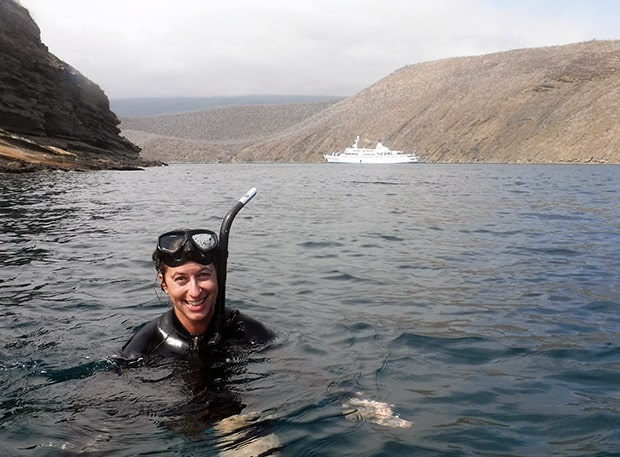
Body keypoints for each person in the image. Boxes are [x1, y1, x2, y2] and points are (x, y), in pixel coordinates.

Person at [119, 228, 275, 363]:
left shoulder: (252, 334)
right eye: (181, 279)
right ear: (164, 284)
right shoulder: (143, 348)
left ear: (219, 276)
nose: (195, 292)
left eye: (203, 275)